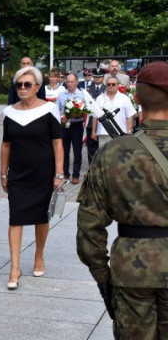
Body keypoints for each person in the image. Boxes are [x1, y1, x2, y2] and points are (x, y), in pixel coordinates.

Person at [77, 61, 168, 339]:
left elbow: (89, 227)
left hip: (132, 272)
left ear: (136, 98)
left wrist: (103, 277)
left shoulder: (112, 153)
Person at [0, 66, 64, 290]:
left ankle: (39, 256)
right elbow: (6, 144)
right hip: (18, 173)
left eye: (27, 84)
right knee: (15, 217)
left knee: (41, 217)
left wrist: (59, 173)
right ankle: (14, 267)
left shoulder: (49, 109)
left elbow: (58, 143)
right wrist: (3, 173)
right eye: (19, 84)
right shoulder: (9, 112)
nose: (23, 88)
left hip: (43, 172)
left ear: (38, 86)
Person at [56, 73, 85, 184]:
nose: (70, 84)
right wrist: (60, 117)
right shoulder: (61, 95)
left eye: (72, 81)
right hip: (64, 126)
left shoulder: (82, 94)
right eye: (68, 81)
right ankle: (66, 174)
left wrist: (80, 113)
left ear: (77, 82)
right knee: (65, 151)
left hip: (76, 125)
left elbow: (86, 109)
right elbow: (56, 109)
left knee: (77, 151)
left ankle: (76, 175)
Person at [91, 76, 136, 147]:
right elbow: (94, 117)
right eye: (108, 84)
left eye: (113, 84)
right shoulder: (99, 98)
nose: (111, 86)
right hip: (103, 132)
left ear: (118, 85)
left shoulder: (125, 98)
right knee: (103, 156)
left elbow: (129, 116)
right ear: (106, 85)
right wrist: (93, 131)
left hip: (120, 132)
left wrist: (129, 131)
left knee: (118, 156)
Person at [85, 68, 107, 164]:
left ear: (103, 77)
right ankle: (91, 167)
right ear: (93, 77)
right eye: (96, 77)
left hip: (104, 122)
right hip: (91, 122)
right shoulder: (88, 89)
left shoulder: (107, 88)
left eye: (100, 77)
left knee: (104, 148)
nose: (97, 79)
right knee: (91, 147)